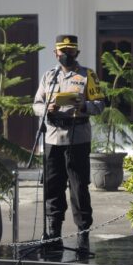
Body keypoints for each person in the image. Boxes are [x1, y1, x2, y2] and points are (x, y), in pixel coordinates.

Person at [32, 35, 104, 253]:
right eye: (63, 51)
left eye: (70, 51)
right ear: (56, 53)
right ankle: (53, 234)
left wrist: (84, 106)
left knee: (78, 187)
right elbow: (36, 104)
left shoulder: (87, 75)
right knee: (52, 187)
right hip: (52, 137)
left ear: (77, 53)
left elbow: (100, 105)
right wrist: (47, 108)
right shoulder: (49, 76)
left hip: (77, 137)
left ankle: (83, 234)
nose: (66, 55)